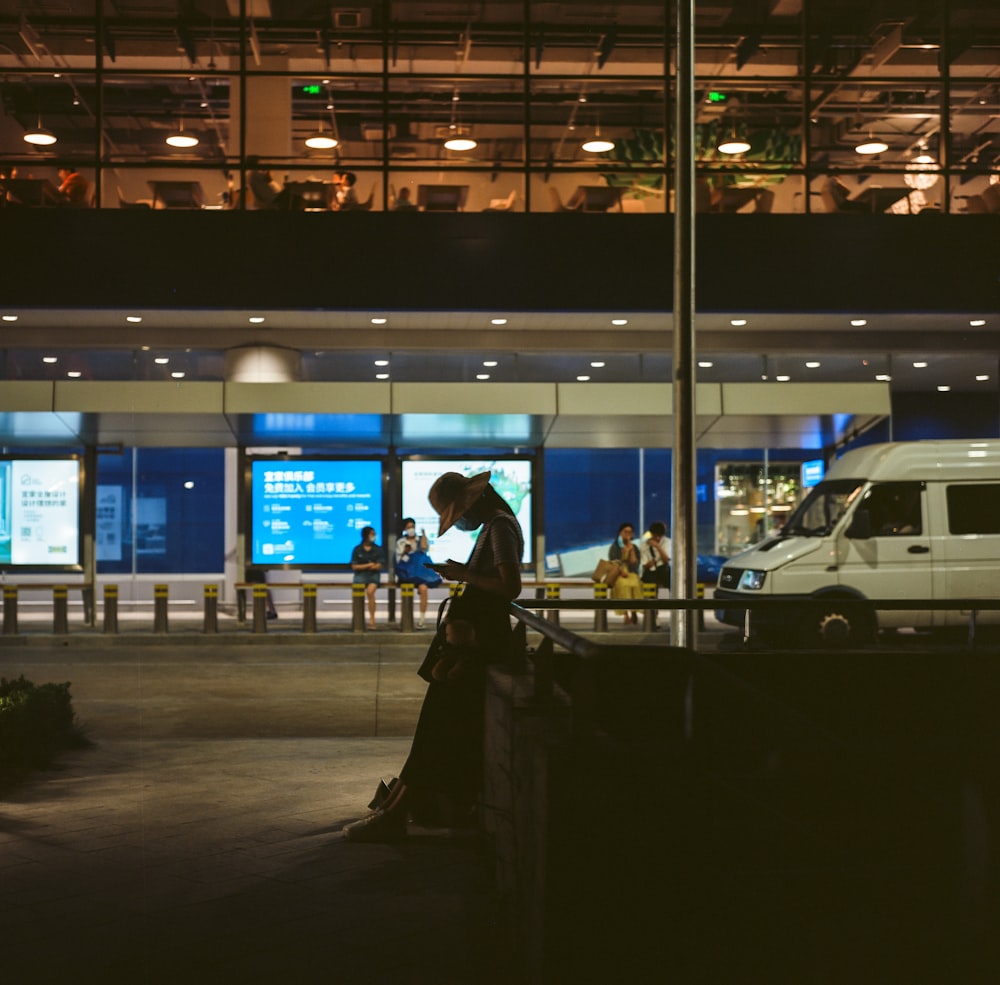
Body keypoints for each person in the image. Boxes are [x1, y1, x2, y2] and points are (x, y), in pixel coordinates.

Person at [342, 470, 524, 842]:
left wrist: (465, 575)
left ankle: (395, 813)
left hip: (473, 652)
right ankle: (400, 805)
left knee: (434, 730)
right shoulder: (495, 525)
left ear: (475, 501)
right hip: (473, 648)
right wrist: (465, 575)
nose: (461, 522)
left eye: (460, 515)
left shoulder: (500, 527)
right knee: (436, 730)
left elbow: (510, 586)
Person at [395, 518, 442, 629]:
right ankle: (406, 621)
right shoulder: (401, 542)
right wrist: (405, 552)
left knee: (423, 589)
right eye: (408, 527)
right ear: (404, 529)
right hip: (406, 573)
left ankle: (421, 619)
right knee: (406, 590)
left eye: (412, 526)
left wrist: (424, 535)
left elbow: (424, 548)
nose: (411, 529)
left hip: (420, 573)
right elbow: (398, 560)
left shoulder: (420, 539)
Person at [350, 526, 385, 630]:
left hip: (373, 576)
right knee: (357, 594)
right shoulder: (357, 549)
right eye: (371, 534)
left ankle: (372, 620)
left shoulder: (378, 549)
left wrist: (366, 566)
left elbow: (379, 565)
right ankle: (357, 620)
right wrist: (369, 565)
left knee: (370, 592)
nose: (374, 536)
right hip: (360, 576)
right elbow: (354, 566)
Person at [609, 522, 642, 625]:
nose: (628, 534)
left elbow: (634, 563)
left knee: (635, 584)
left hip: (631, 572)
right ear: (620, 533)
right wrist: (621, 571)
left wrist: (631, 550)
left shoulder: (634, 547)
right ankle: (625, 614)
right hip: (618, 573)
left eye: (630, 532)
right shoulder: (615, 546)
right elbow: (613, 561)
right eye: (625, 532)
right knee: (623, 585)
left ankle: (634, 610)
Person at [640, 521, 671, 589]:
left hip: (663, 570)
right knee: (648, 578)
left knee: (667, 576)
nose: (658, 538)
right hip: (650, 571)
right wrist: (649, 564)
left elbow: (666, 560)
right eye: (655, 536)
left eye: (660, 536)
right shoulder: (644, 544)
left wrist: (658, 547)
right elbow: (644, 565)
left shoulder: (667, 542)